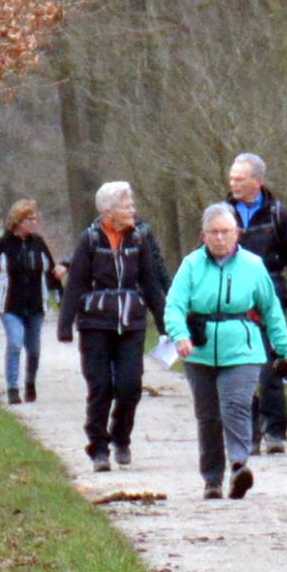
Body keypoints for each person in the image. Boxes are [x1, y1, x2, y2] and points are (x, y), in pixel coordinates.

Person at [163, 204, 287, 499]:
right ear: (204, 235)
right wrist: (179, 335)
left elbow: (271, 308)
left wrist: (284, 349)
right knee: (208, 415)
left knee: (236, 405)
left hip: (243, 347)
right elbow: (174, 306)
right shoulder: (191, 265)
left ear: (237, 234)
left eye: (226, 232)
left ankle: (239, 464)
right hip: (199, 349)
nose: (221, 238)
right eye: (214, 233)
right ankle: (212, 478)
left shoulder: (252, 266)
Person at [58, 182, 168, 473]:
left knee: (130, 386)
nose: (133, 210)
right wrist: (65, 324)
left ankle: (121, 437)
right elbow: (76, 283)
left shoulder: (138, 239)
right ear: (109, 211)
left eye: (132, 204)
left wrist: (165, 323)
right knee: (101, 387)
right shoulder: (90, 240)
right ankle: (98, 448)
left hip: (131, 322)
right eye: (127, 205)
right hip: (96, 323)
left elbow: (151, 283)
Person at [225, 153, 287, 455]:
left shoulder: (278, 214)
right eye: (232, 178)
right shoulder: (222, 214)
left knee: (271, 367)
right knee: (240, 367)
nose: (233, 183)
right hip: (233, 299)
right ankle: (249, 432)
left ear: (257, 182)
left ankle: (275, 429)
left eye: (240, 179)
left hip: (271, 296)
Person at [0, 199, 64, 404]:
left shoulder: (38, 244)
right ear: (18, 221)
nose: (34, 222)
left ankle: (29, 382)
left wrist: (60, 298)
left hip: (36, 305)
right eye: (30, 218)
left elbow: (50, 272)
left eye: (35, 218)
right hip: (10, 305)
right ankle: (12, 388)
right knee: (15, 342)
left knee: (34, 349)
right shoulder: (3, 244)